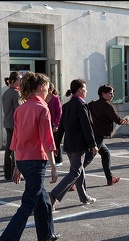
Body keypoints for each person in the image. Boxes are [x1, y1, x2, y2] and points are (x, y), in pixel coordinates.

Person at [0, 72, 59, 241]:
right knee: (29, 202)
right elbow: (48, 140)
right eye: (47, 87)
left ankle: (46, 233)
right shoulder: (41, 107)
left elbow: (15, 139)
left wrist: (16, 165)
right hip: (35, 160)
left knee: (42, 197)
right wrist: (54, 166)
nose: (48, 91)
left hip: (23, 159)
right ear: (40, 88)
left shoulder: (21, 109)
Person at [49, 79, 99, 212]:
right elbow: (86, 126)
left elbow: (60, 128)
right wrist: (93, 144)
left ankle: (84, 197)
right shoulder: (81, 105)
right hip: (78, 145)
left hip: (69, 144)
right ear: (80, 90)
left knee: (79, 170)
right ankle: (53, 196)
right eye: (85, 88)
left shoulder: (66, 106)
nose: (87, 91)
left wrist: (56, 144)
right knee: (75, 171)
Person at [83, 84, 129, 186]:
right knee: (88, 158)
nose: (112, 95)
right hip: (98, 134)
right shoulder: (107, 105)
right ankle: (72, 180)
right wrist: (126, 120)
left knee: (105, 153)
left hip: (91, 133)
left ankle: (110, 178)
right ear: (103, 94)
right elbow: (117, 120)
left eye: (113, 93)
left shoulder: (92, 104)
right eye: (110, 93)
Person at [1, 71, 22, 180]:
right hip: (15, 124)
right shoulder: (16, 93)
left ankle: (7, 173)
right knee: (16, 149)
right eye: (19, 79)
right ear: (13, 81)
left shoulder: (5, 93)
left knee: (9, 148)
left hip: (7, 123)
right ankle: (15, 172)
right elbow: (19, 111)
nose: (21, 81)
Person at [46, 82, 63, 166]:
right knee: (48, 141)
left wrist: (56, 124)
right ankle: (49, 159)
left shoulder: (55, 98)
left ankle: (58, 160)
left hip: (54, 123)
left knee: (56, 142)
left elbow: (59, 112)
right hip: (46, 123)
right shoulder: (43, 98)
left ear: (51, 90)